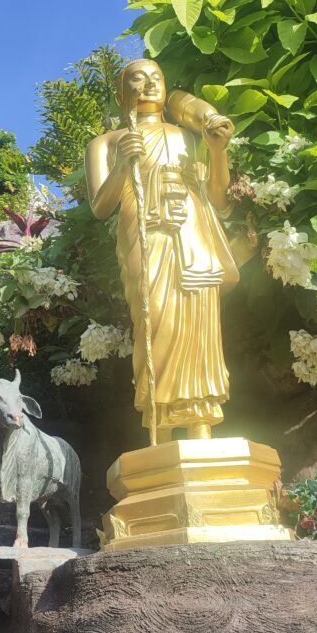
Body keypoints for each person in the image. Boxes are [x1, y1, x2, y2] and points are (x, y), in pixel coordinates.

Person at [85, 58, 238, 442]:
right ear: (122, 92)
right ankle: (160, 432)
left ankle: (202, 426)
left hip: (191, 235)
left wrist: (218, 152)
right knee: (156, 323)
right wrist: (122, 163)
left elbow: (221, 202)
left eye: (157, 77)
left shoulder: (187, 136)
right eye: (139, 78)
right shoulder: (105, 143)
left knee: (198, 328)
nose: (150, 83)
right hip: (146, 237)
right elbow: (100, 207)